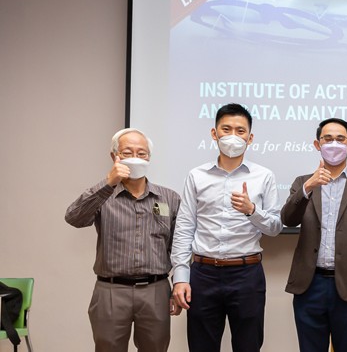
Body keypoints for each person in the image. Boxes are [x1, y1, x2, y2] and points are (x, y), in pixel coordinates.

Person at [171, 103, 283, 352]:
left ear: (250, 138)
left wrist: (252, 211)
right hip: (203, 272)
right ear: (214, 133)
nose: (233, 136)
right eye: (227, 129)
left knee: (248, 346)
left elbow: (275, 227)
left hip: (247, 274)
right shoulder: (196, 175)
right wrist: (180, 278)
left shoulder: (263, 176)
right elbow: (184, 227)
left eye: (240, 131)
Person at [65, 128, 181, 352]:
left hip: (156, 289)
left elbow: (179, 247)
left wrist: (178, 284)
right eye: (128, 152)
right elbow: (74, 218)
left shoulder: (170, 198)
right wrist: (108, 183)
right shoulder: (103, 196)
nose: (136, 158)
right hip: (111, 290)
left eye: (142, 153)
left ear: (149, 158)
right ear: (114, 157)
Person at [281, 118, 347, 352]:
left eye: (340, 139)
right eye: (327, 139)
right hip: (309, 284)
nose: (334, 144)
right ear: (317, 145)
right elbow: (288, 219)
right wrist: (308, 187)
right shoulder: (302, 182)